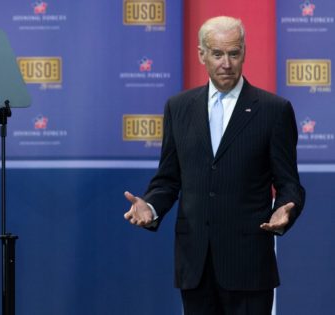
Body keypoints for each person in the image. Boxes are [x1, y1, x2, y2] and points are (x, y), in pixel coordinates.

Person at [123, 16, 305, 315]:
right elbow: (168, 179)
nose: (226, 63)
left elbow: (289, 183)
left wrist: (287, 206)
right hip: (195, 265)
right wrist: (152, 207)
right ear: (202, 55)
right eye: (218, 54)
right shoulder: (178, 107)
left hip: (248, 265)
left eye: (234, 53)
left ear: (243, 52)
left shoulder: (274, 110)